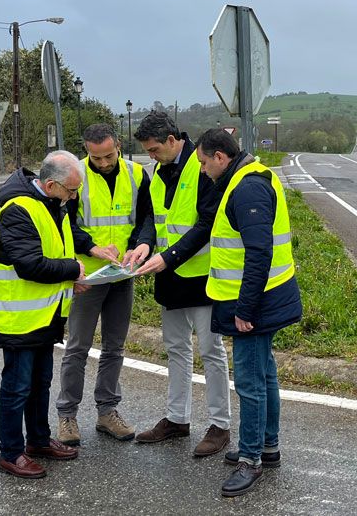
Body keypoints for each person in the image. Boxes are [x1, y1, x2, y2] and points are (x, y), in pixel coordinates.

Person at [194, 128, 302, 497]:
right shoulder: (252, 175)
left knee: (251, 383)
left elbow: (259, 251)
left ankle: (251, 460)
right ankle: (267, 447)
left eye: (205, 163)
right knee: (265, 374)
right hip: (266, 296)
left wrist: (245, 308)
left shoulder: (247, 187)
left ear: (220, 157)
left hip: (255, 303)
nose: (204, 170)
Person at [131, 112, 232, 458]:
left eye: (155, 149)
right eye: (148, 151)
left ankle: (220, 426)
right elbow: (152, 218)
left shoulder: (201, 166)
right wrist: (145, 243)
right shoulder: (158, 172)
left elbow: (206, 223)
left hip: (201, 277)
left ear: (173, 140)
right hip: (169, 275)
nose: (151, 156)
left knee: (211, 352)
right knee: (175, 349)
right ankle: (177, 419)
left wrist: (168, 256)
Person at [0, 150, 86, 479]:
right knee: (17, 388)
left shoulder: (53, 204)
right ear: (49, 184)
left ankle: (39, 441)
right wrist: (72, 269)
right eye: (71, 191)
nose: (74, 197)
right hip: (19, 320)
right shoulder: (19, 211)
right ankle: (11, 453)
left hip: (45, 316)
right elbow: (30, 265)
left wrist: (70, 279)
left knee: (40, 383)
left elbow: (56, 251)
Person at [55, 124, 155, 446]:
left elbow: (146, 220)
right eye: (95, 157)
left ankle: (107, 412)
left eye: (108, 155)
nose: (102, 163)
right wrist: (93, 248)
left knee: (115, 347)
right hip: (88, 275)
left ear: (119, 146)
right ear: (86, 151)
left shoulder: (137, 174)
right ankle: (67, 416)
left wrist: (141, 244)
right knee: (77, 348)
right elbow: (66, 223)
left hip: (123, 274)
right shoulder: (76, 175)